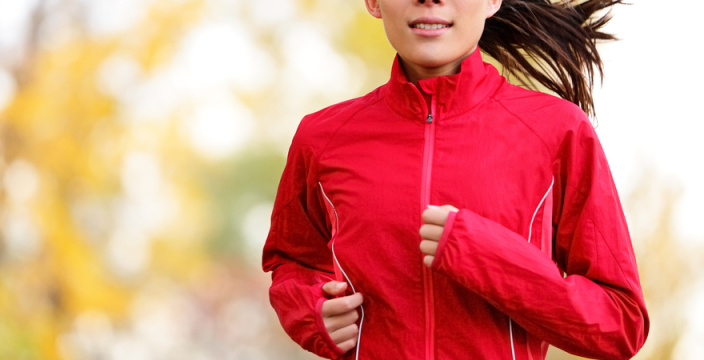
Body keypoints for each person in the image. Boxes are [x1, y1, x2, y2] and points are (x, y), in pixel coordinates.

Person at [262, 0, 649, 359]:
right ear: (374, 2)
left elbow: (621, 323)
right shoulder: (323, 138)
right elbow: (291, 261)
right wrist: (313, 312)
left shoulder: (558, 132)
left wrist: (485, 256)